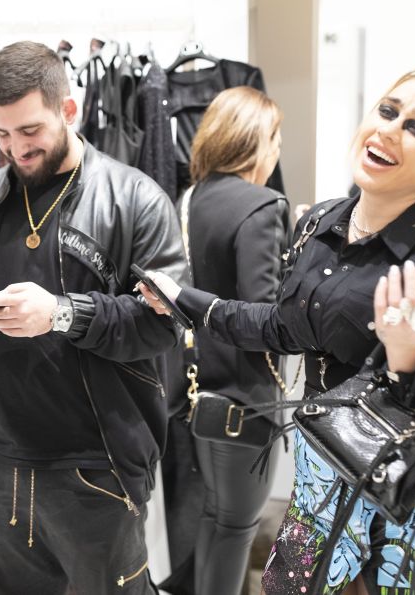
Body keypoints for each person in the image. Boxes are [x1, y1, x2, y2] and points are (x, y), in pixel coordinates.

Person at [140, 66, 415, 594]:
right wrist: (185, 300)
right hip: (321, 481)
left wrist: (405, 354)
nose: (390, 130)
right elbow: (282, 328)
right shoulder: (320, 224)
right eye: (388, 111)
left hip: (413, 503)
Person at [0, 40, 187, 595]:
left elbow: (163, 320)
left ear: (69, 110)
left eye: (29, 131)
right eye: (0, 134)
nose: (16, 149)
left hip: (98, 470)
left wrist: (62, 314)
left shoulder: (136, 198)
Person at [161, 86, 289, 595]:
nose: (277, 150)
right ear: (256, 141)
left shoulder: (188, 199)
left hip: (200, 392)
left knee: (216, 518)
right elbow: (263, 317)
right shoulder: (263, 206)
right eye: (275, 139)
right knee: (235, 526)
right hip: (246, 396)